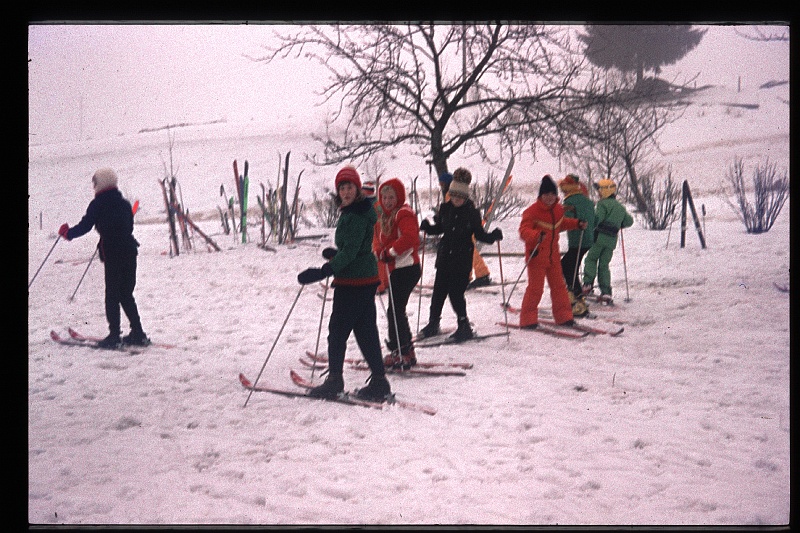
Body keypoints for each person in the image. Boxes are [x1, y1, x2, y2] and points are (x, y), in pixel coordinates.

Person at [297, 165, 391, 402]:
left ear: (357, 189)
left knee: (338, 332)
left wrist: (325, 270)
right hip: (364, 279)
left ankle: (334, 382)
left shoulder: (356, 216)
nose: (346, 191)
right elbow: (355, 248)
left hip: (353, 283)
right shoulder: (354, 212)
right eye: (342, 187)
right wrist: (336, 254)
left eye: (350, 187)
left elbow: (350, 252)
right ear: (338, 191)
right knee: (366, 332)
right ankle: (379, 382)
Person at [58, 168, 149, 348]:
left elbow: (85, 226)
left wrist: (68, 233)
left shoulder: (98, 204)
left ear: (99, 184)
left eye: (94, 183)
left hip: (113, 253)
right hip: (130, 251)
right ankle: (138, 333)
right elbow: (129, 227)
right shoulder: (124, 203)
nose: (93, 186)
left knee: (112, 295)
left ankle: (114, 336)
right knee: (126, 294)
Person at [419, 167, 503, 342]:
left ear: (465, 197)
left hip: (462, 259)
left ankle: (464, 325)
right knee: (438, 293)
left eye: (460, 197)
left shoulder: (471, 213)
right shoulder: (445, 209)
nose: (456, 199)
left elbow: (480, 235)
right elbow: (441, 228)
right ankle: (433, 323)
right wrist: (428, 227)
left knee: (455, 294)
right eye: (454, 196)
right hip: (444, 258)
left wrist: (493, 236)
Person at [517, 174, 587, 329]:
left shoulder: (558, 210)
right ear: (540, 195)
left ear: (556, 195)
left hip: (553, 256)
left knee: (559, 288)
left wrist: (577, 224)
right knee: (535, 289)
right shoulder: (531, 212)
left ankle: (564, 317)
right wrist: (536, 235)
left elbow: (561, 224)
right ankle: (528, 320)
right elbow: (523, 231)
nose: (549, 197)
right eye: (546, 194)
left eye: (552, 194)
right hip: (536, 256)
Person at [374, 178, 422, 369]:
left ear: (399, 197)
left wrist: (390, 252)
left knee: (394, 311)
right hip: (397, 269)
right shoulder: (384, 217)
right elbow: (378, 239)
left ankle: (402, 351)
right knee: (395, 310)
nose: (387, 201)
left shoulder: (403, 213)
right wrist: (379, 251)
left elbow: (410, 237)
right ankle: (404, 350)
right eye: (384, 197)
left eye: (391, 197)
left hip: (407, 268)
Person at [581, 178, 634, 305]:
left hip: (598, 238)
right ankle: (606, 292)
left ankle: (587, 285)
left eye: (599, 190)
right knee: (604, 265)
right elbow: (629, 221)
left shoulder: (602, 204)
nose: (598, 193)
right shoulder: (620, 207)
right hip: (611, 241)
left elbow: (597, 219)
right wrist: (618, 223)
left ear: (605, 191)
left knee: (591, 259)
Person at [438, 171, 493, 289]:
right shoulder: (462, 192)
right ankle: (467, 277)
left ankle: (481, 274)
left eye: (442, 184)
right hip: (466, 227)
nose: (441, 186)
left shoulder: (450, 194)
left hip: (461, 229)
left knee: (470, 253)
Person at [558, 174, 596, 317]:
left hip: (577, 240)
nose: (563, 192)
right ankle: (576, 295)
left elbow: (563, 222)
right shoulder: (587, 200)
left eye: (563, 190)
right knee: (570, 266)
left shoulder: (570, 202)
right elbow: (595, 218)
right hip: (588, 239)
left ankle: (576, 298)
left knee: (566, 267)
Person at [363, 180, 389, 295]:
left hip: (374, 234)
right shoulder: (378, 203)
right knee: (382, 258)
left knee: (376, 259)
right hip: (382, 233)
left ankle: (379, 286)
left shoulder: (368, 205)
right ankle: (386, 282)